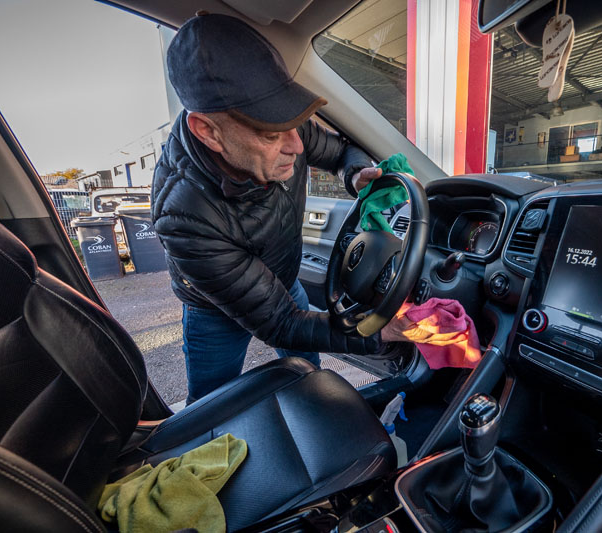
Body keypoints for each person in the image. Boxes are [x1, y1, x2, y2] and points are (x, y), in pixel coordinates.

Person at [151, 13, 427, 404]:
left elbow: (340, 150)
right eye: (270, 135)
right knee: (210, 408)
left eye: (295, 126)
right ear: (208, 132)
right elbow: (280, 322)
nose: (297, 147)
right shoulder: (184, 215)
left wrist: (355, 175)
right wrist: (375, 330)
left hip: (285, 279)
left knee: (308, 380)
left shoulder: (283, 127)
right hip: (212, 310)